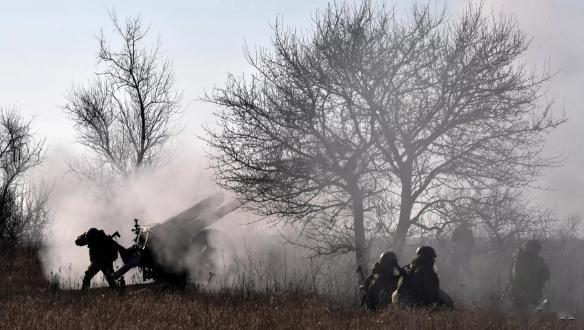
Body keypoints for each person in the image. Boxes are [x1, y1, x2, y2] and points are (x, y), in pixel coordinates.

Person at [508, 239, 550, 309]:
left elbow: (547, 275)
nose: (538, 251)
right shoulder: (519, 260)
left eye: (538, 249)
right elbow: (515, 279)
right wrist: (521, 293)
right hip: (519, 296)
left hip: (534, 295)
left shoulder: (539, 260)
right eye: (536, 249)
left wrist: (539, 276)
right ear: (530, 249)